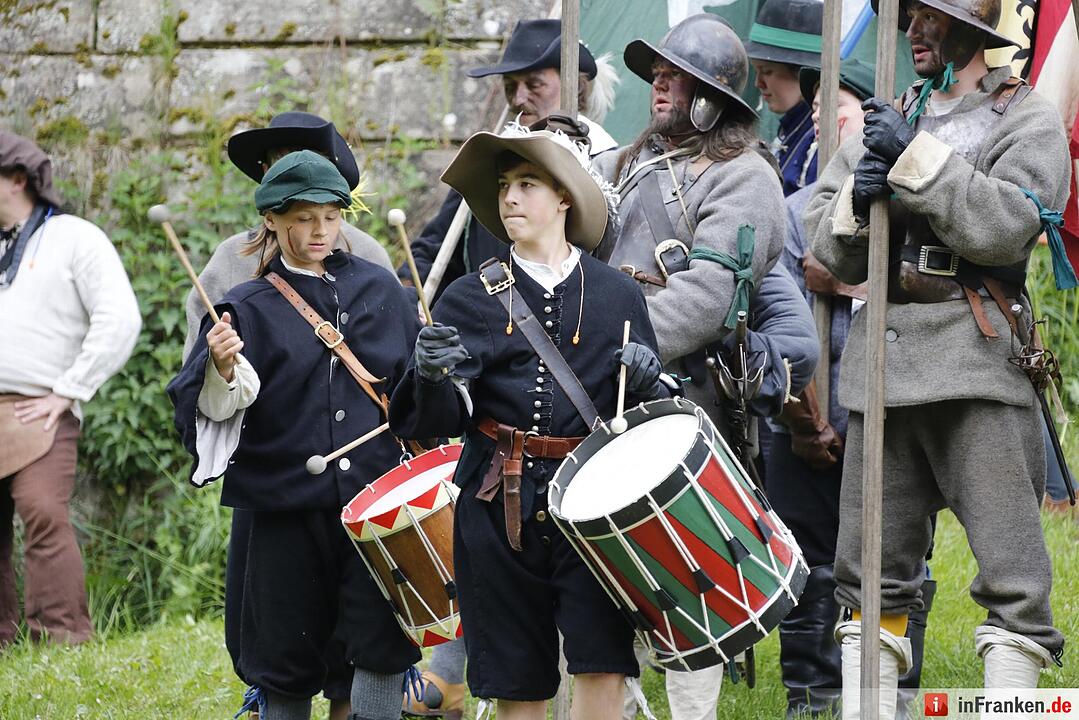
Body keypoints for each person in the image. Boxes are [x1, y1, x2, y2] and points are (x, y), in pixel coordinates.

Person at [804, 0, 1071, 715]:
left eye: (930, 15)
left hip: (976, 363)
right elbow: (826, 249)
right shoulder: (885, 119)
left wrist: (915, 159)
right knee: (867, 578)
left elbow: (1009, 225)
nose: (912, 29)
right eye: (910, 14)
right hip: (883, 369)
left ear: (971, 28)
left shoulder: (1026, 117)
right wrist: (857, 201)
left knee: (1015, 578)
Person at [390, 124, 672, 720]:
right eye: (503, 186)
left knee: (603, 661)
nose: (509, 197)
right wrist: (429, 376)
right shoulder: (467, 297)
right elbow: (437, 421)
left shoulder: (618, 295)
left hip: (594, 504)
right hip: (496, 505)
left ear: (564, 197)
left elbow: (647, 424)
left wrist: (651, 382)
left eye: (526, 183)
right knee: (516, 678)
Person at [593, 15, 817, 719]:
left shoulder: (745, 176)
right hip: (602, 388)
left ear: (712, 98)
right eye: (656, 74)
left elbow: (706, 299)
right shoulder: (625, 166)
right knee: (603, 579)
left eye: (675, 75)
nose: (658, 84)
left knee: (694, 578)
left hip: (688, 401)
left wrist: (610, 348)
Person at [168, 151, 422, 720]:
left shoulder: (383, 288)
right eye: (304, 219)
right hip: (283, 509)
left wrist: (432, 370)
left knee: (382, 645)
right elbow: (217, 408)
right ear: (272, 220)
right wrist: (222, 368)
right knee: (283, 658)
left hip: (375, 505)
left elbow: (414, 403)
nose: (319, 231)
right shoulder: (246, 306)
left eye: (330, 217)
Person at [0, 131, 141, 648]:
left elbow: (119, 317)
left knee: (42, 510)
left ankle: (60, 634)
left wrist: (70, 390)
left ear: (17, 179)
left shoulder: (74, 238)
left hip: (39, 408)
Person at [401, 18, 619, 302]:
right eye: (510, 86)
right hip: (484, 316)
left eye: (534, 85)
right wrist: (406, 294)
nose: (518, 98)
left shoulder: (606, 163)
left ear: (574, 87)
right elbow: (435, 250)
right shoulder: (489, 161)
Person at [745, 0, 824, 195]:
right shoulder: (791, 127)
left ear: (802, 71)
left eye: (767, 71)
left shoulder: (819, 136)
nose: (758, 83)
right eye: (757, 71)